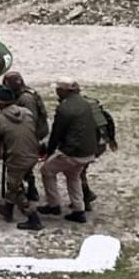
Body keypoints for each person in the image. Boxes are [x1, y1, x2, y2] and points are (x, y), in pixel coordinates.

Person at [40, 77, 97, 223]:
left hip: (73, 152)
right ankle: (79, 209)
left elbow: (57, 133)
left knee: (47, 170)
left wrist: (49, 152)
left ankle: (53, 205)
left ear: (62, 90)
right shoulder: (85, 103)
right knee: (73, 176)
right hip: (89, 150)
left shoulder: (64, 108)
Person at [0, 85, 43, 231]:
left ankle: (33, 218)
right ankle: (8, 209)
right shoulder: (27, 113)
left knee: (15, 187)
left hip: (16, 157)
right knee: (14, 183)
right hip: (33, 153)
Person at [2, 72, 48, 201]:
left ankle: (27, 190)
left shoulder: (26, 98)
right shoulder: (26, 94)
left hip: (32, 134)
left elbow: (29, 120)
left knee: (21, 161)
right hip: (33, 133)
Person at [80, 90, 117, 211]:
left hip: (90, 147)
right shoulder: (101, 114)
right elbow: (110, 127)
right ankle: (85, 195)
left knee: (79, 173)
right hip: (100, 146)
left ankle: (86, 199)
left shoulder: (83, 116)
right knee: (81, 171)